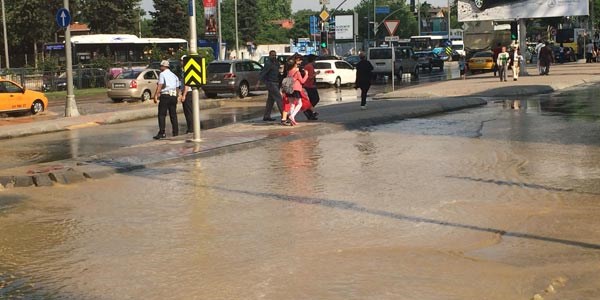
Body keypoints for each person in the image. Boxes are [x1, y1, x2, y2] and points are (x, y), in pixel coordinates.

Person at [153, 60, 180, 139]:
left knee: (162, 114)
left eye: (161, 66)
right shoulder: (174, 75)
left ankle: (162, 132)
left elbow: (160, 85)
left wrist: (156, 95)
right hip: (173, 95)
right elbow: (177, 87)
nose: (160, 68)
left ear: (163, 67)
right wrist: (177, 96)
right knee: (173, 115)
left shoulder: (162, 74)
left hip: (165, 95)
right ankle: (175, 132)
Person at [257, 50, 283, 122]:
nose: (274, 56)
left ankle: (266, 116)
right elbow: (263, 73)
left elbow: (278, 72)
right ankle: (284, 116)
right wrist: (258, 83)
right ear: (269, 55)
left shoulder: (276, 63)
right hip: (271, 83)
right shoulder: (268, 63)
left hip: (276, 82)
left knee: (271, 100)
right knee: (279, 99)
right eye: (272, 55)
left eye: (275, 55)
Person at [286, 55, 308, 125]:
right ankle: (292, 116)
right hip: (296, 89)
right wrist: (306, 75)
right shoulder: (297, 72)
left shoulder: (289, 71)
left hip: (289, 88)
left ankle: (292, 119)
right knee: (299, 103)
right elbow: (302, 81)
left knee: (292, 104)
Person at [302, 54, 320, 120]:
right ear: (313, 60)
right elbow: (308, 77)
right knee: (315, 99)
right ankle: (308, 110)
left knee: (313, 100)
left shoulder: (310, 66)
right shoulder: (309, 66)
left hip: (311, 85)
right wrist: (315, 74)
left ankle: (310, 113)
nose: (316, 62)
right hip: (309, 85)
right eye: (315, 60)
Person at [179, 55, 194, 134]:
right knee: (188, 111)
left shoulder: (186, 70)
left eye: (181, 61)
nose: (180, 62)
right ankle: (190, 127)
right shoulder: (185, 70)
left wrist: (184, 95)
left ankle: (191, 128)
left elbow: (187, 84)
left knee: (189, 112)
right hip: (187, 92)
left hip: (188, 93)